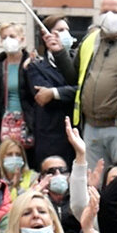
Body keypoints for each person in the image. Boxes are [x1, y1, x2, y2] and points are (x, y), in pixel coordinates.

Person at [48, 0, 117, 171]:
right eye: (104, 11)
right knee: (92, 183)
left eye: (115, 12)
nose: (109, 16)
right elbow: (74, 78)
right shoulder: (89, 41)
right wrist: (59, 53)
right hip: (91, 127)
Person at [26, 15, 77, 168]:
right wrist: (67, 93)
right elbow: (43, 98)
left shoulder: (78, 60)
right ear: (46, 35)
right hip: (50, 134)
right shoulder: (36, 67)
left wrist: (54, 92)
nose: (65, 34)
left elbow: (84, 92)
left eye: (67, 30)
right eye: (59, 30)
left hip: (75, 132)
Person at [0, 22, 35, 149]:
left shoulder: (31, 63)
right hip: (4, 124)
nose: (8, 40)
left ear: (22, 39)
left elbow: (36, 95)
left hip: (28, 124)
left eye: (12, 36)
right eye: (4, 37)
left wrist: (27, 71)